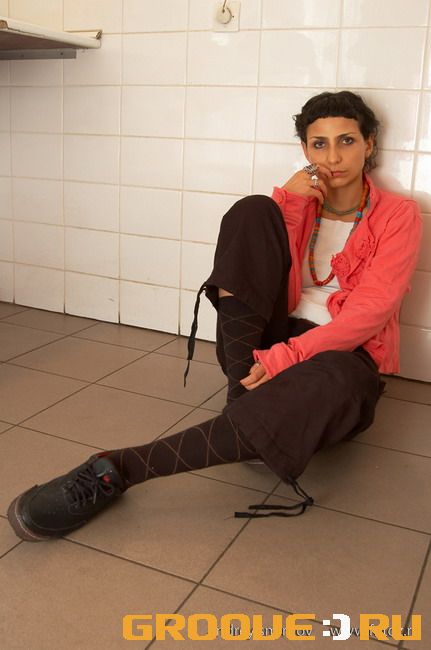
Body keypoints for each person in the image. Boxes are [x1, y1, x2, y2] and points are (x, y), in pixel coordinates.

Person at [7, 91, 422, 542]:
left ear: (369, 144)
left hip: (340, 354)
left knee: (340, 382)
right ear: (305, 149)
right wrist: (288, 201)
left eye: (347, 141)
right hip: (265, 341)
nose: (333, 157)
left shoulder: (398, 215)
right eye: (319, 144)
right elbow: (259, 271)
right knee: (253, 208)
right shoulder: (298, 204)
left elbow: (372, 310)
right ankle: (244, 397)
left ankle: (121, 467)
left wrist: (288, 356)